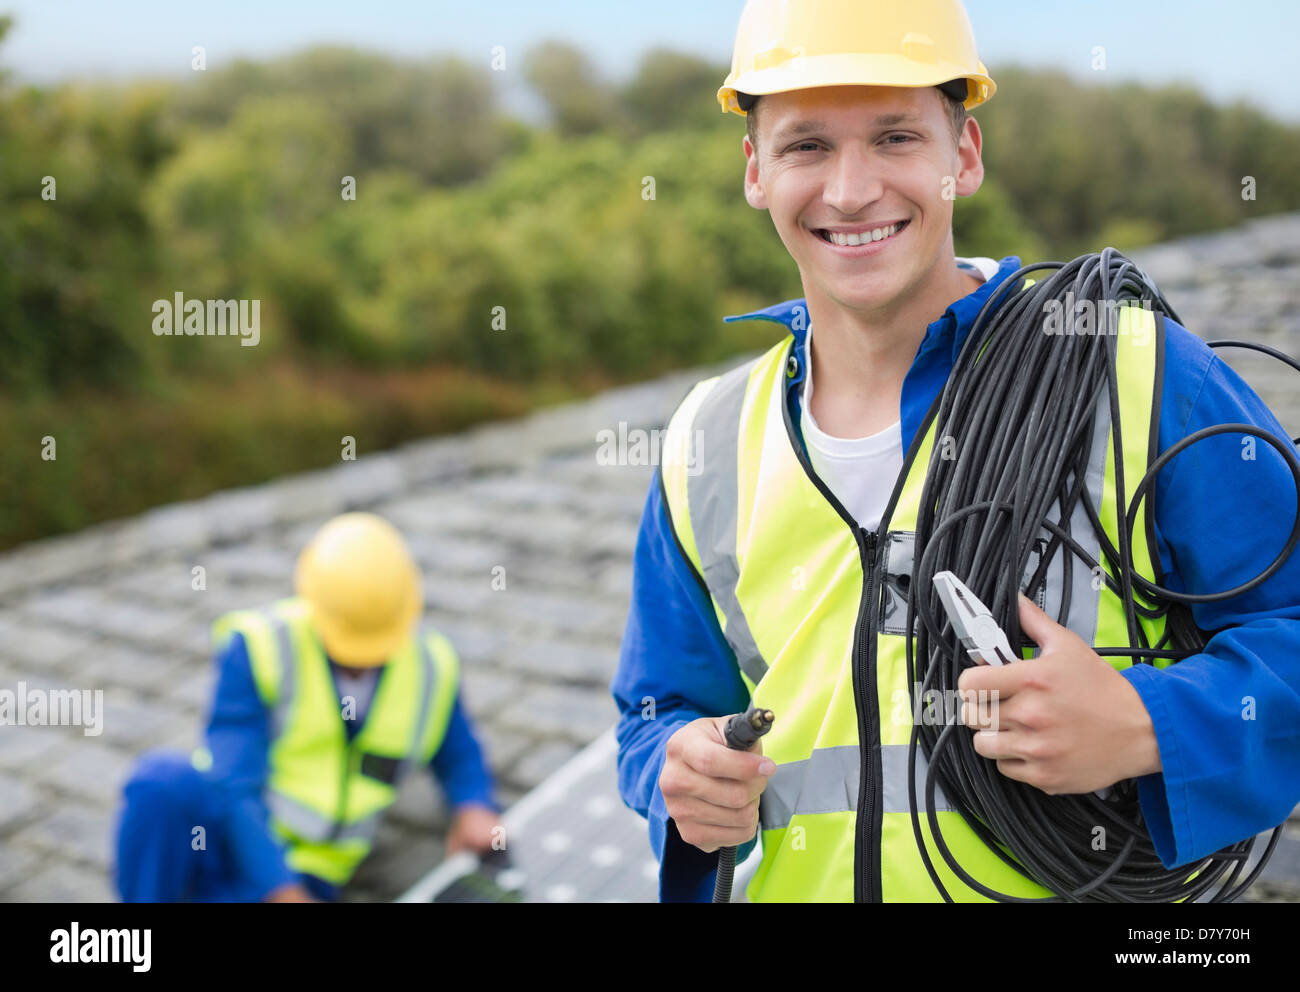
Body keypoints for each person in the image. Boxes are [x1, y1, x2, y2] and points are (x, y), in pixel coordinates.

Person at [611, 0, 1300, 902]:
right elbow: (657, 712)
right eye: (806, 146)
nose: (851, 190)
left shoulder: (1132, 371)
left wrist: (1146, 723)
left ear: (962, 155)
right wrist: (674, 771)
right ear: (755, 171)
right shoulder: (706, 439)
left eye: (896, 137)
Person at [113, 512, 502, 902]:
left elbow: (458, 751)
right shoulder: (260, 648)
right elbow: (234, 784)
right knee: (161, 782)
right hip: (228, 845)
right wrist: (281, 889)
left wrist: (474, 805)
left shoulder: (431, 669)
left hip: (312, 873)